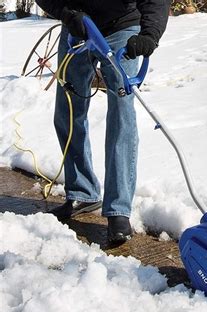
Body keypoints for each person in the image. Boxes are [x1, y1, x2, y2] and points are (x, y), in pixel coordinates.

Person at [35, 0, 170, 244]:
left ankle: (119, 210)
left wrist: (150, 34)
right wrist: (67, 12)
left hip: (122, 27)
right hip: (77, 26)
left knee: (121, 113)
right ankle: (82, 192)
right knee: (68, 110)